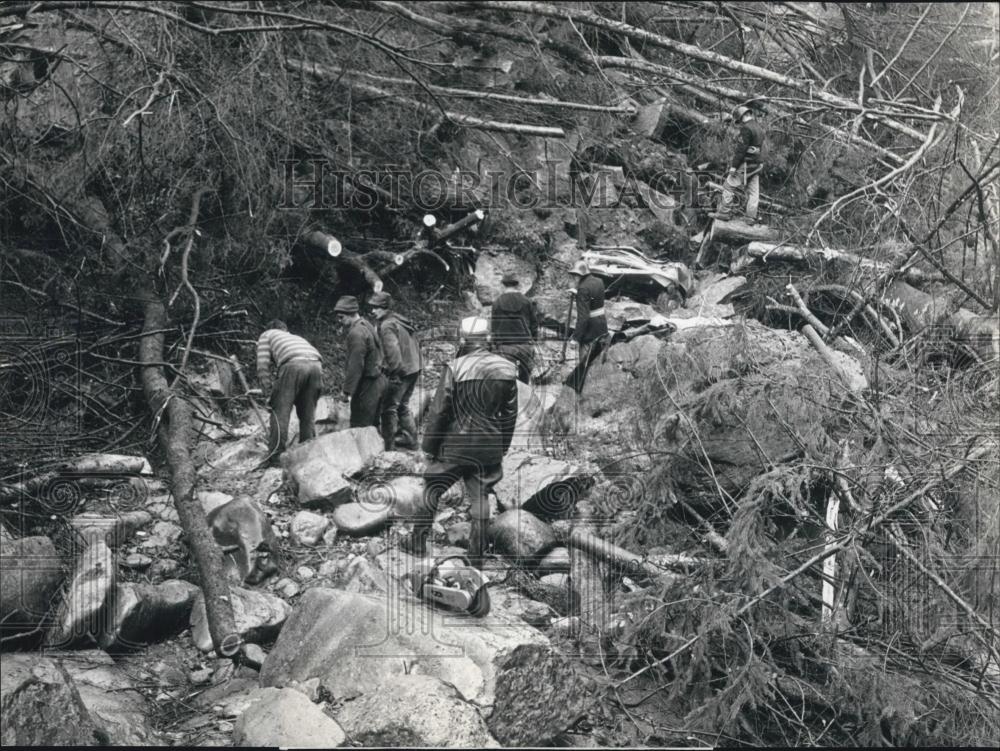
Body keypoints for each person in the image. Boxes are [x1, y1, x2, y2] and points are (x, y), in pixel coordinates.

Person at [407, 316, 518, 567]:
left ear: (463, 339)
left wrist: (428, 448)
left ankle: (416, 543)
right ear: (487, 338)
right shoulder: (507, 369)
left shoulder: (455, 367)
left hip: (455, 445)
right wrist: (501, 447)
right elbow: (509, 415)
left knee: (433, 489)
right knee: (481, 497)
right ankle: (477, 556)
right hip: (489, 444)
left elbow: (439, 411)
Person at [254, 319, 323, 463]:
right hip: (316, 365)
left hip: (293, 365)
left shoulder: (266, 335)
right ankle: (307, 455)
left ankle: (275, 456)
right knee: (307, 413)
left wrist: (267, 391)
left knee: (280, 412)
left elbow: (262, 365)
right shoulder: (295, 338)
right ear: (284, 329)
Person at [369, 291, 422, 450]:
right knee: (403, 406)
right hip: (414, 367)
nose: (372, 311)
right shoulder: (399, 320)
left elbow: (393, 352)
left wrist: (394, 373)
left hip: (402, 371)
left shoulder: (387, 325)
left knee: (388, 409)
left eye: (375, 308)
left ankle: (389, 448)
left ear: (384, 308)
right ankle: (412, 442)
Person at [334, 295, 386, 429]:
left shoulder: (356, 333)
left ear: (351, 314)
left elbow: (356, 365)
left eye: (341, 317)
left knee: (360, 428)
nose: (340, 321)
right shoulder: (366, 324)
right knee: (373, 426)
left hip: (367, 386)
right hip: (378, 381)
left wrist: (346, 392)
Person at [714, 105, 764, 223]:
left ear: (742, 117)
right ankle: (750, 217)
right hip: (757, 164)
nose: (740, 123)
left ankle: (724, 213)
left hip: (746, 164)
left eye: (740, 120)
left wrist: (734, 166)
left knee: (728, 186)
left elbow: (741, 150)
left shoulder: (746, 129)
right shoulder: (759, 128)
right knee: (753, 192)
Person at [565, 260, 608, 394]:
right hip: (601, 325)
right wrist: (578, 292)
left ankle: (582, 391)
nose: (574, 278)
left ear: (580, 275)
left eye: (575, 276)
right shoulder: (599, 281)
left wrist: (576, 338)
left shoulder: (583, 289)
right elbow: (593, 296)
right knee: (597, 360)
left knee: (585, 362)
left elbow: (583, 318)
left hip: (589, 330)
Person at [489, 271, 538, 383]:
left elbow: (494, 328)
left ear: (504, 284)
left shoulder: (497, 302)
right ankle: (523, 397)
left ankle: (509, 399)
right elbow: (534, 324)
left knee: (505, 381)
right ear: (517, 284)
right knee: (524, 380)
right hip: (524, 346)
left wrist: (494, 345)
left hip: (505, 347)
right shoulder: (526, 301)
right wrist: (533, 341)